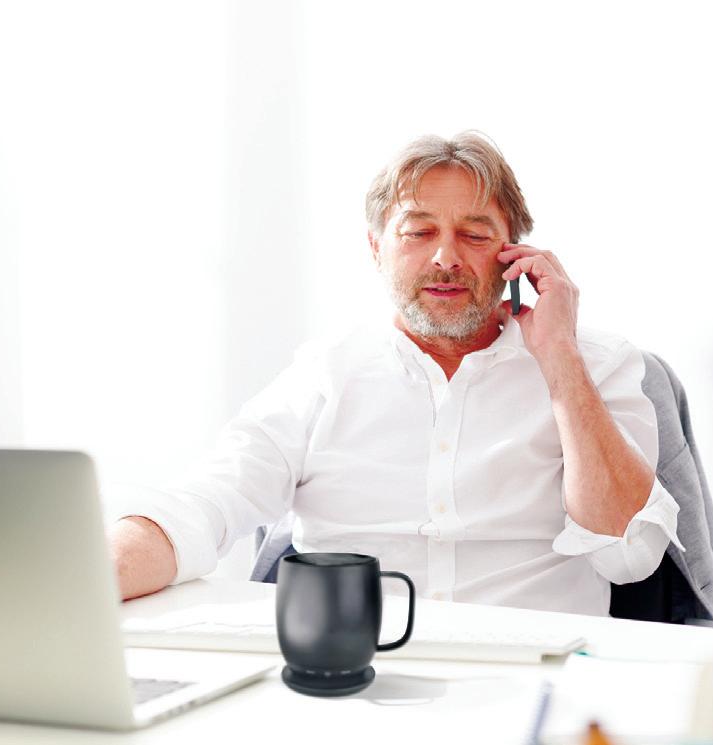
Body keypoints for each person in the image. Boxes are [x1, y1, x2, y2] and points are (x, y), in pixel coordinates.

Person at [108, 131, 682, 616]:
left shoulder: (597, 364)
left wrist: (559, 358)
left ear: (513, 253)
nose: (446, 258)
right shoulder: (326, 375)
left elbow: (629, 554)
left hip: (537, 674)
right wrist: (91, 579)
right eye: (418, 232)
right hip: (359, 676)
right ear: (376, 247)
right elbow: (203, 505)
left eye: (474, 234)